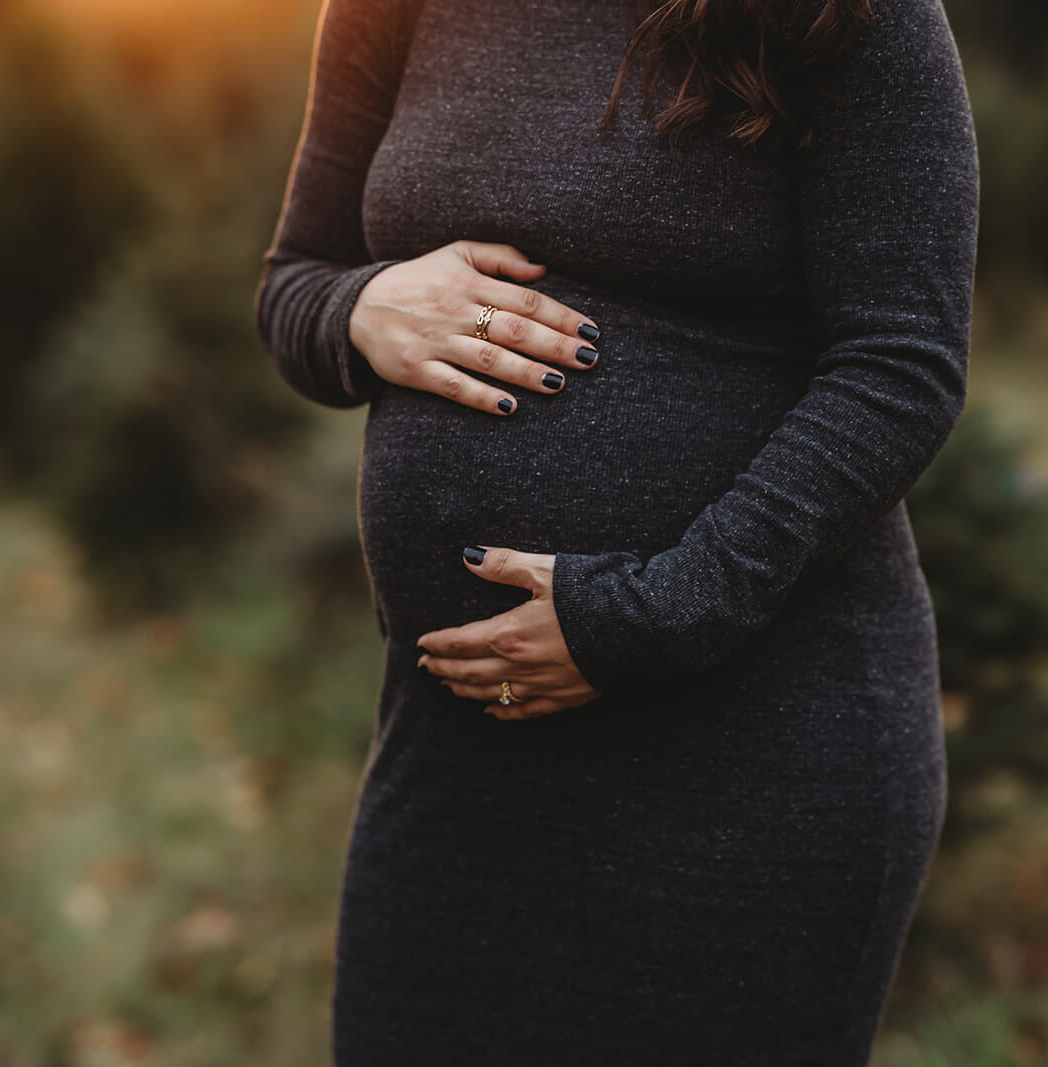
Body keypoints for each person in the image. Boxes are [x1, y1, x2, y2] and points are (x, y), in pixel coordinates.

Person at [254, 0, 977, 1060]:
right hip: (460, 761)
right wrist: (357, 311)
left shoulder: (850, 14)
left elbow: (900, 364)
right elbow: (292, 282)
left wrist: (646, 616)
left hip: (752, 749)